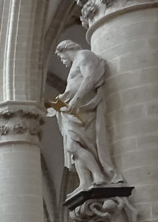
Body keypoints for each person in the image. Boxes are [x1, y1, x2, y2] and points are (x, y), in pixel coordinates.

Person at [48, 40, 122, 192]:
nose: (62, 62)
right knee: (74, 149)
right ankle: (86, 182)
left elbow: (89, 78)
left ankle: (99, 175)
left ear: (65, 50)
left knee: (73, 145)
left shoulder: (83, 56)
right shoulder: (76, 63)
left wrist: (76, 100)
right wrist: (56, 107)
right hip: (72, 112)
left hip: (83, 110)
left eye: (62, 58)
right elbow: (71, 89)